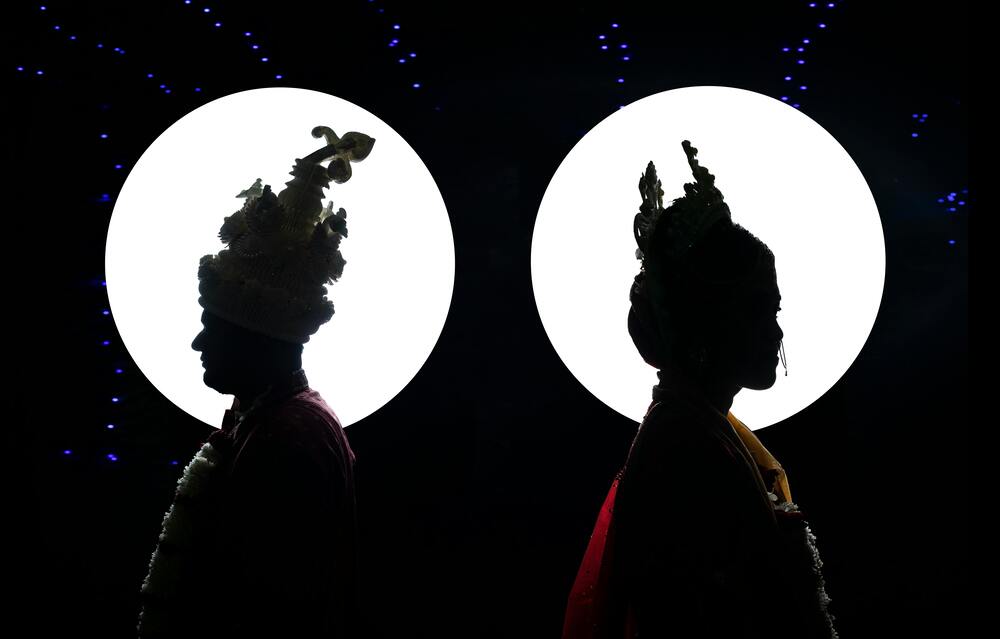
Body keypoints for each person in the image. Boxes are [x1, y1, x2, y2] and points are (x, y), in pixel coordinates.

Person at [563, 141, 837, 639]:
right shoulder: (688, 448)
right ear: (709, 323)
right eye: (759, 310)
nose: (776, 333)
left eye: (775, 310)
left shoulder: (699, 428)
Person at [138, 126, 375, 637]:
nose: (198, 345)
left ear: (255, 339)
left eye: (213, 330)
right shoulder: (269, 415)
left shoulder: (287, 437)